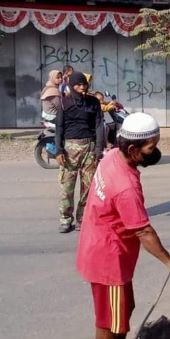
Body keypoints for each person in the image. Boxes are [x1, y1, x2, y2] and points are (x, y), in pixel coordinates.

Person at [76, 112, 170, 339]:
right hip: (109, 261)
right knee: (111, 323)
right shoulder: (125, 188)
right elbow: (144, 231)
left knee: (121, 313)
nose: (155, 152)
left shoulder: (111, 156)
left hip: (99, 246)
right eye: (151, 148)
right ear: (132, 149)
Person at [55, 71, 105, 233]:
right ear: (71, 86)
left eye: (84, 84)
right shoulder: (64, 103)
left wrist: (99, 149)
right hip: (69, 149)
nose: (82, 87)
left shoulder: (93, 102)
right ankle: (65, 219)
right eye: (78, 84)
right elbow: (59, 128)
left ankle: (82, 218)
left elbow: (99, 126)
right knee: (67, 186)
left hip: (90, 148)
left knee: (88, 187)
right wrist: (58, 150)